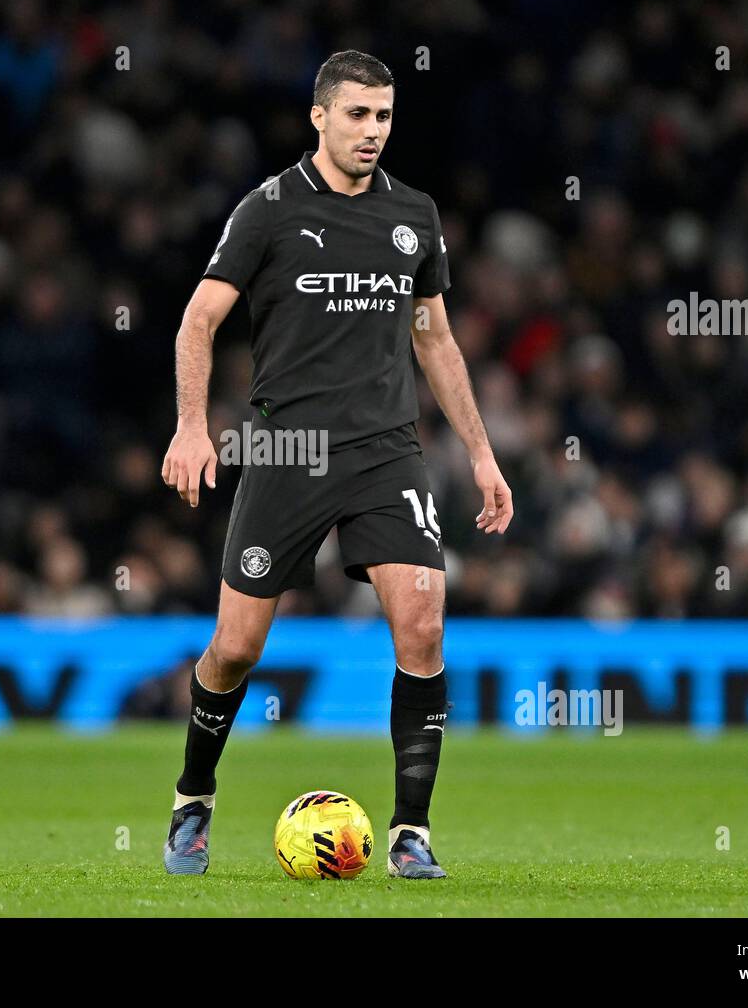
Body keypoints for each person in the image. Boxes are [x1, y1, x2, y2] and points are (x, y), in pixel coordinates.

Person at [159, 51, 513, 879]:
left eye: (384, 116)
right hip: (287, 447)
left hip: (387, 448)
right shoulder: (269, 210)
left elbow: (435, 339)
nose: (372, 132)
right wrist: (189, 427)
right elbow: (197, 321)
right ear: (318, 117)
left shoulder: (415, 215)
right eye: (357, 115)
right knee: (237, 648)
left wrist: (482, 454)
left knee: (423, 620)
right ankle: (192, 798)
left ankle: (411, 834)